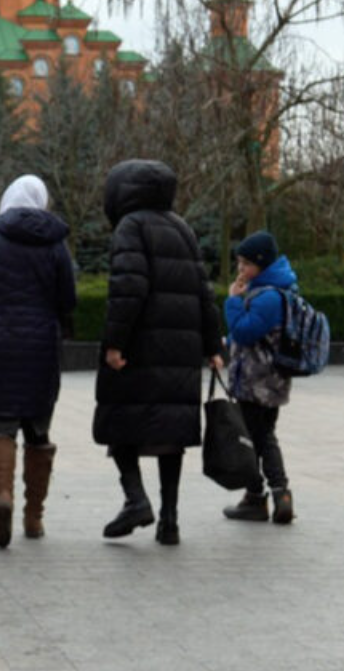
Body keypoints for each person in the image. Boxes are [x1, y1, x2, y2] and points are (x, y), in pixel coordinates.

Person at [94, 160, 223, 547]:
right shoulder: (182, 227)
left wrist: (115, 343)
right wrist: (213, 346)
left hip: (140, 348)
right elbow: (204, 291)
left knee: (119, 421)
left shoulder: (130, 226)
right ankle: (169, 521)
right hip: (180, 351)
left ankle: (136, 500)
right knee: (171, 434)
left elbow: (127, 289)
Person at [0, 175, 78, 548]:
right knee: (38, 433)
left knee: (0, 428)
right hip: (40, 349)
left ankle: (3, 496)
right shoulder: (55, 244)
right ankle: (34, 516)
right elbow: (68, 300)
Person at [221, 231, 298, 525]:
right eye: (239, 263)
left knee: (256, 438)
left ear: (262, 263)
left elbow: (245, 331)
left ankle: (264, 497)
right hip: (270, 380)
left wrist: (233, 301)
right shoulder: (275, 289)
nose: (240, 269)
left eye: (246, 264)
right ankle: (272, 496)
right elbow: (255, 334)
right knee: (262, 436)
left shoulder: (269, 296)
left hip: (257, 381)